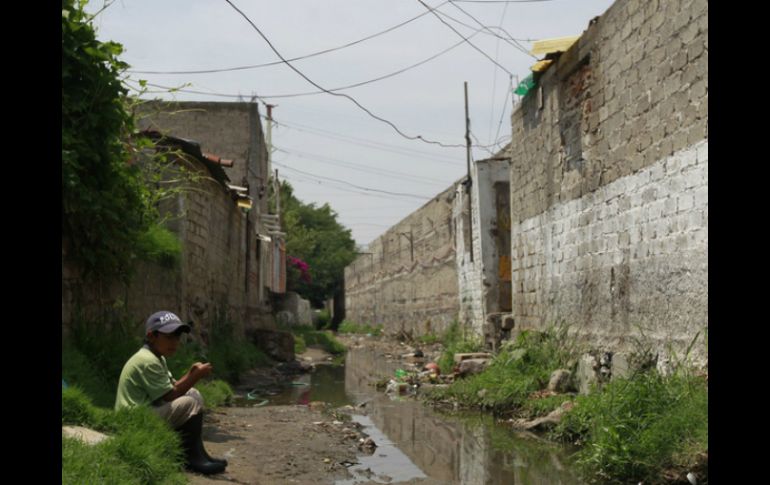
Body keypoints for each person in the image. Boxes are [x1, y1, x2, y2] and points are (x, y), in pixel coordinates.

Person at [115, 311, 227, 475]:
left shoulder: (156, 357)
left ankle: (200, 455)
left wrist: (190, 373)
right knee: (190, 403)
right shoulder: (147, 361)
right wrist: (195, 376)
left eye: (177, 337)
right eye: (169, 337)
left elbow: (172, 386)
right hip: (134, 418)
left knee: (193, 394)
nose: (175, 342)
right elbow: (170, 395)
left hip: (145, 410)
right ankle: (192, 460)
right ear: (152, 336)